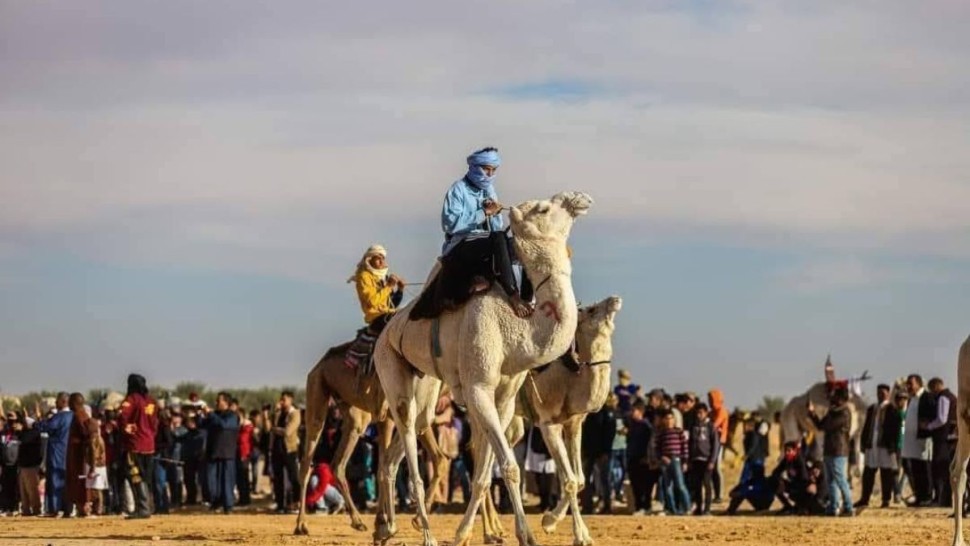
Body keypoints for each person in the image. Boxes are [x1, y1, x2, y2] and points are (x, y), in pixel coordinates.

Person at [421, 146, 532, 318]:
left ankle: (529, 299)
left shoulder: (489, 191)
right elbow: (450, 224)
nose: (489, 174)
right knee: (499, 238)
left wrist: (495, 214)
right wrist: (482, 213)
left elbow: (495, 227)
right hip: (460, 244)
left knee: (519, 244)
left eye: (493, 170)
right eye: (486, 169)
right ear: (474, 167)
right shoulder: (458, 190)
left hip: (484, 242)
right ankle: (513, 295)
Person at [345, 245, 406, 368]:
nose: (382, 261)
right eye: (378, 258)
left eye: (383, 258)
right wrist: (389, 286)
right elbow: (372, 302)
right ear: (369, 259)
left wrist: (400, 289)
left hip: (386, 314)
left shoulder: (381, 279)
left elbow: (392, 304)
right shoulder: (363, 277)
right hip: (376, 318)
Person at [118, 374, 159, 519]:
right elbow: (155, 423)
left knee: (135, 475)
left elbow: (122, 415)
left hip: (135, 443)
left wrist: (126, 428)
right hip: (149, 444)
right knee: (146, 476)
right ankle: (147, 506)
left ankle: (142, 508)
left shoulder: (132, 399)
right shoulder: (151, 401)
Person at [807, 387, 854, 517]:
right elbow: (821, 425)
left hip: (838, 450)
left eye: (834, 396)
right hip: (829, 450)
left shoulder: (844, 413)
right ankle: (833, 508)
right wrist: (812, 414)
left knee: (840, 479)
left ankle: (849, 507)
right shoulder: (833, 411)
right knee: (831, 480)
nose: (831, 398)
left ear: (840, 398)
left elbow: (828, 425)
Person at [857, 384, 901, 509]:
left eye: (883, 392)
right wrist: (863, 442)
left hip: (885, 446)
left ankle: (886, 499)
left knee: (886, 473)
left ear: (888, 393)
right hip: (872, 445)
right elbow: (866, 427)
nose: (880, 395)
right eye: (879, 392)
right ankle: (864, 499)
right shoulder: (872, 408)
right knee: (868, 472)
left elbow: (897, 429)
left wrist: (894, 446)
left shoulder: (892, 409)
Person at [202, 392, 239, 514]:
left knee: (227, 481)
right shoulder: (214, 416)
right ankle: (215, 502)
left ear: (226, 403)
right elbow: (201, 425)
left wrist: (211, 414)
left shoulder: (232, 416)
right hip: (213, 452)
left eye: (219, 401)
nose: (216, 403)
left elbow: (224, 425)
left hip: (227, 453)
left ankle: (228, 506)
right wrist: (200, 415)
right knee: (211, 481)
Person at [901, 374, 934, 507]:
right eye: (907, 384)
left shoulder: (926, 397)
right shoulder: (911, 399)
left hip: (922, 440)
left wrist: (927, 426)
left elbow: (933, 414)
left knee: (924, 469)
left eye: (911, 384)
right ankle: (919, 496)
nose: (908, 386)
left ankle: (927, 496)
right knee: (915, 469)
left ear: (919, 384)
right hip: (910, 441)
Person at [925, 377, 957, 507]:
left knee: (941, 469)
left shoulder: (943, 397)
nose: (932, 393)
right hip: (950, 438)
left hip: (943, 439)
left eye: (932, 389)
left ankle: (941, 499)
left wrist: (928, 426)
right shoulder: (951, 396)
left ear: (937, 386)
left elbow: (942, 419)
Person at [772, 441, 824, 515]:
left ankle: (803, 507)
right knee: (774, 482)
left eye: (789, 451)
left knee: (805, 490)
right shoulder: (786, 460)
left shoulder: (800, 461)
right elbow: (776, 471)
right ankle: (788, 507)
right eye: (786, 451)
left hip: (805, 486)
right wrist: (778, 478)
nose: (787, 453)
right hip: (795, 484)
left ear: (795, 451)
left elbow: (804, 478)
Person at [270, 391, 301, 514]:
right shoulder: (278, 414)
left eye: (284, 400)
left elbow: (288, 431)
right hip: (277, 449)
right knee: (278, 479)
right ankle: (280, 505)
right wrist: (272, 414)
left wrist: (275, 429)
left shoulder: (295, 414)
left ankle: (296, 503)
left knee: (293, 477)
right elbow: (269, 428)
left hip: (290, 449)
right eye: (281, 399)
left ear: (291, 400)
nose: (282, 402)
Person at [687, 403, 719, 515]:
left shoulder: (711, 426)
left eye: (701, 412)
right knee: (697, 485)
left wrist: (712, 461)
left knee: (707, 484)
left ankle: (707, 509)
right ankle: (699, 508)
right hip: (696, 459)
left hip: (707, 460)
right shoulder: (693, 426)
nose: (699, 415)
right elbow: (689, 443)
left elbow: (715, 445)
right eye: (697, 413)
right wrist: (689, 459)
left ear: (706, 413)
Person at [13, 411, 43, 516]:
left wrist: (20, 431)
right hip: (22, 465)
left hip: (31, 466)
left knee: (32, 490)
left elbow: (25, 439)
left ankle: (36, 510)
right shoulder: (25, 433)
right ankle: (25, 510)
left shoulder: (34, 432)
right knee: (23, 491)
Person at [524, 425, 557, 512]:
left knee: (548, 481)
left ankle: (549, 503)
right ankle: (543, 502)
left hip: (547, 455)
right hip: (536, 453)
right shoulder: (534, 426)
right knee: (539, 480)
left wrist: (549, 453)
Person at [707, 389, 729, 502]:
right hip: (711, 441)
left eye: (711, 399)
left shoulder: (722, 411)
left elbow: (714, 424)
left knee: (716, 467)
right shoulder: (711, 412)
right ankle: (714, 494)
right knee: (712, 468)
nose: (709, 402)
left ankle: (719, 495)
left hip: (720, 441)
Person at [84, 417, 108, 517]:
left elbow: (94, 454)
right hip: (100, 466)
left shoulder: (92, 439)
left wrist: (92, 469)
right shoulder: (99, 437)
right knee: (97, 489)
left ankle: (96, 509)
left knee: (93, 489)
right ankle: (98, 508)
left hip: (94, 466)